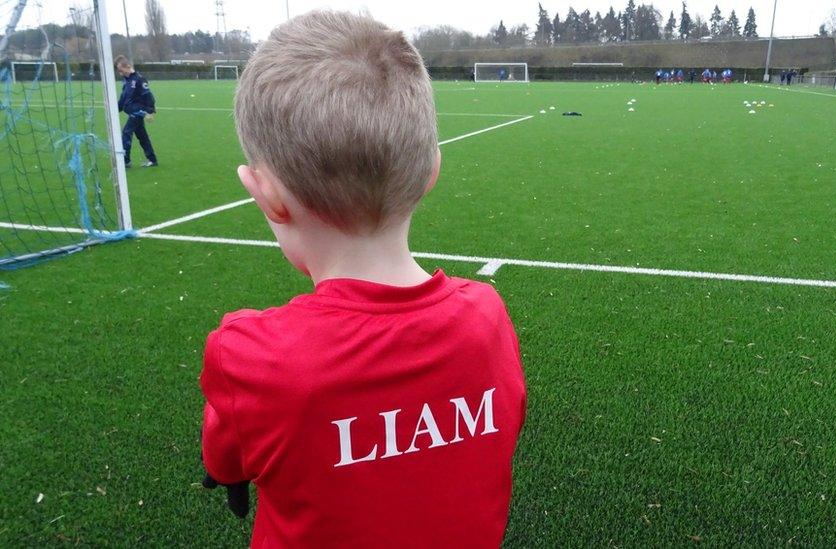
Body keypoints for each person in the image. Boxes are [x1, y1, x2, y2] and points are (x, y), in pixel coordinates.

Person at [199, 10, 527, 548]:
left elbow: (224, 455)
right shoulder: (487, 317)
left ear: (264, 196)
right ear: (430, 173)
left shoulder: (251, 352)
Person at [114, 56, 157, 168]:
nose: (121, 73)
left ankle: (126, 161)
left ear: (128, 67)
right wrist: (114, 110)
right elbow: (123, 99)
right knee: (142, 136)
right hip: (132, 111)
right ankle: (152, 160)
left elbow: (148, 96)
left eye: (121, 71)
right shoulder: (126, 81)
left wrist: (150, 111)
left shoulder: (139, 79)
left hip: (138, 112)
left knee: (126, 133)